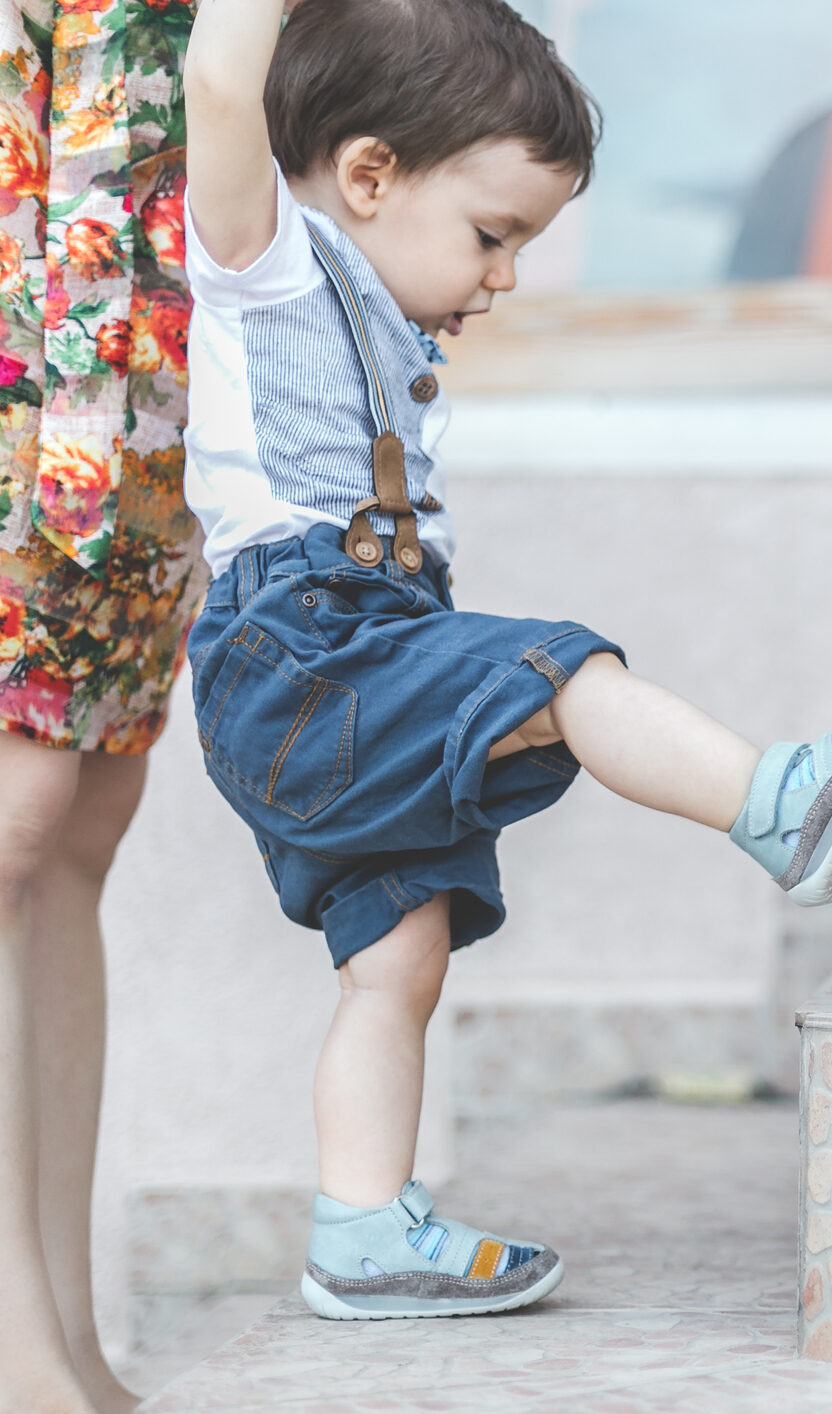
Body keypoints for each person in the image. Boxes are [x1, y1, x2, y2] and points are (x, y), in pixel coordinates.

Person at [182, 0, 832, 1320]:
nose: (507, 277)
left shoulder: (377, 304)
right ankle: (779, 805)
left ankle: (360, 1228)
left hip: (351, 660)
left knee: (397, 954)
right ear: (366, 176)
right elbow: (217, 76)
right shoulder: (269, 261)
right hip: (303, 651)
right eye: (492, 236)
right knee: (564, 673)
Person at [0, 0, 206, 1408]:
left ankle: (66, 1330)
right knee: (16, 822)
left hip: (138, 388)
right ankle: (19, 1350)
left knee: (80, 828)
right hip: (40, 363)